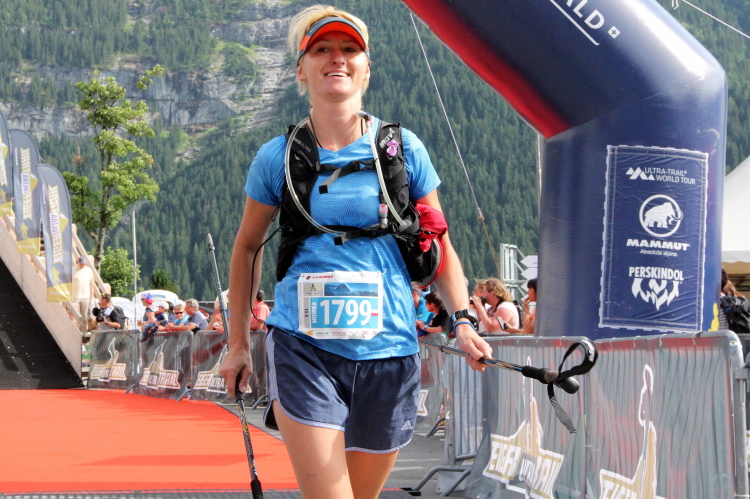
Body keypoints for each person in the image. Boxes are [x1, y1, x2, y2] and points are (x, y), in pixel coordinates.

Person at [218, 6, 491, 498]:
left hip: (390, 351)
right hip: (303, 347)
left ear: (366, 68)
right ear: (301, 70)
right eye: (321, 49)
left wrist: (463, 322)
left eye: (349, 50)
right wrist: (237, 342)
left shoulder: (404, 150)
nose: (337, 59)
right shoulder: (277, 156)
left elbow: (439, 242)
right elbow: (247, 247)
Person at [71, 256, 95, 333]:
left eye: (84, 264)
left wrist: (91, 296)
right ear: (78, 262)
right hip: (74, 296)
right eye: (81, 263)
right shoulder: (72, 270)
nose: (82, 265)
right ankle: (73, 331)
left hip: (85, 296)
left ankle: (83, 332)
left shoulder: (89, 271)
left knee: (84, 316)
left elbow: (91, 284)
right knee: (73, 315)